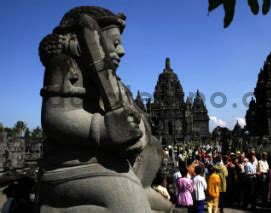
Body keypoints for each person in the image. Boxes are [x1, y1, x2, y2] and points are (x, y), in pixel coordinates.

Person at [37, 6, 172, 212]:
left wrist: (137, 135)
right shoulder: (65, 67)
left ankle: (139, 188)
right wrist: (102, 128)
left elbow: (137, 119)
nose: (122, 51)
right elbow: (54, 117)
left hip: (114, 160)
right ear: (89, 41)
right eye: (115, 43)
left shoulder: (117, 84)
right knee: (131, 205)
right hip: (74, 165)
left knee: (162, 198)